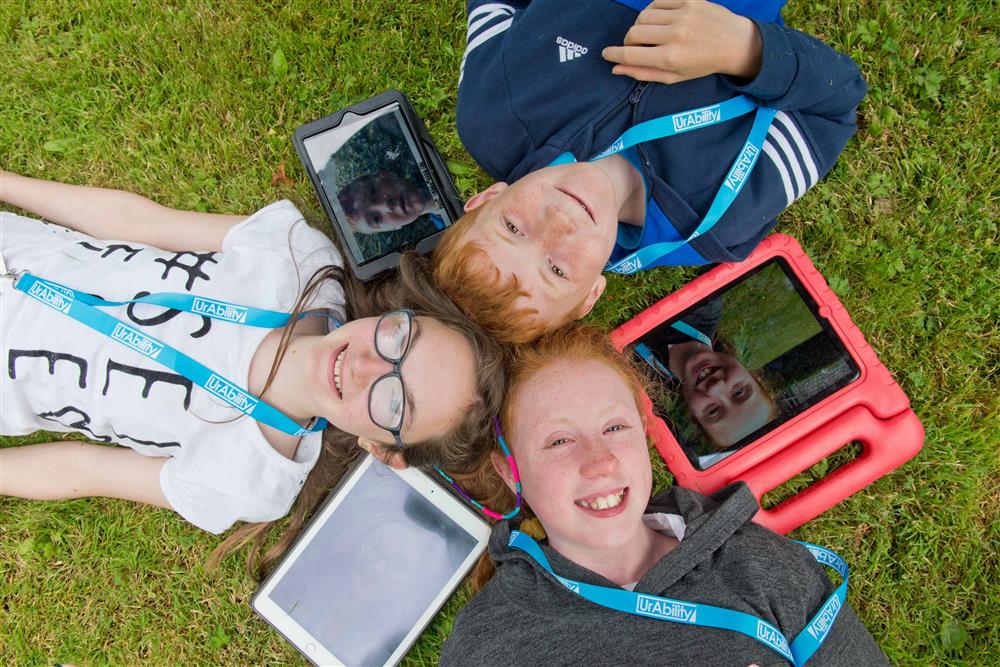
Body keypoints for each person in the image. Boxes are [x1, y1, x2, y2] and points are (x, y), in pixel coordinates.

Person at [0, 169, 505, 543]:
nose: (366, 367)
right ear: (404, 313)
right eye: (400, 340)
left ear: (381, 448)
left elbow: (79, 471)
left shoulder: (251, 480)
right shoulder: (298, 258)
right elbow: (135, 222)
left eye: (394, 403)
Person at [440, 324, 888, 666]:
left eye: (615, 428)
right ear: (509, 470)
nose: (600, 462)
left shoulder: (760, 564)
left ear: (644, 435)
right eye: (559, 441)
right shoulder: (488, 643)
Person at [432, 0, 867, 342]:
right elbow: (837, 104)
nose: (557, 224)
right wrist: (745, 49)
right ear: (591, 296)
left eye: (512, 227)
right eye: (557, 270)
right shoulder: (721, 222)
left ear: (486, 198)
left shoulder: (491, 114)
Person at [635, 295, 777, 457]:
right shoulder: (705, 306)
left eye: (713, 410)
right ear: (752, 374)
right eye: (739, 392)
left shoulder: (636, 383)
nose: (716, 387)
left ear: (693, 415)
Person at [338, 170, 439, 234]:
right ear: (394, 228)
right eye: (376, 219)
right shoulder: (450, 236)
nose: (385, 205)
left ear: (385, 174)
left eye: (373, 192)